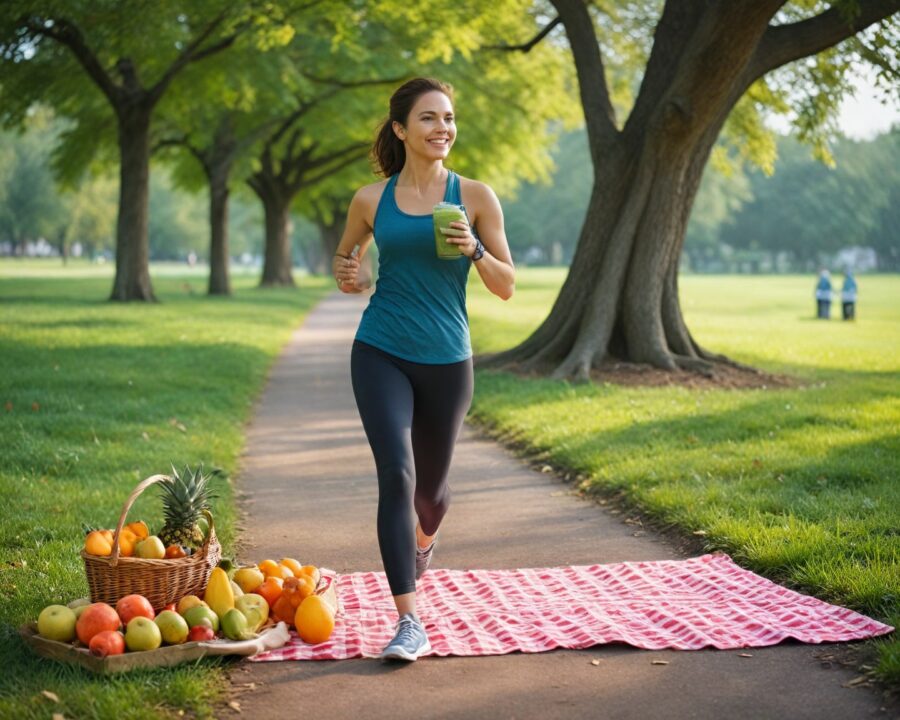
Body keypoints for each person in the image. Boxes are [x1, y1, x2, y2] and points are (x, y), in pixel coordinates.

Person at [332, 78, 515, 662]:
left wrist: (475, 252)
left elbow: (507, 286)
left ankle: (423, 541)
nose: (443, 128)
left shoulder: (476, 196)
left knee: (431, 498)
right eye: (430, 118)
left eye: (450, 118)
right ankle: (409, 620)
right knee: (398, 474)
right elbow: (347, 257)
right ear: (401, 129)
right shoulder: (370, 199)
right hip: (379, 349)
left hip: (447, 359)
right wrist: (349, 268)